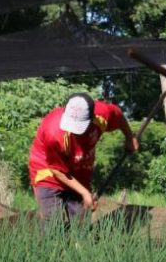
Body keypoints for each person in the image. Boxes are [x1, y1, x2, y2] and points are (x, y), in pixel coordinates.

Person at [28, 92, 138, 220]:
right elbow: (57, 171)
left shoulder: (102, 114)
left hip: (79, 170)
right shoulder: (53, 132)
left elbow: (118, 115)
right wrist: (85, 193)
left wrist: (130, 138)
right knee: (52, 224)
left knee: (81, 223)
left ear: (92, 119)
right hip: (48, 171)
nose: (73, 131)